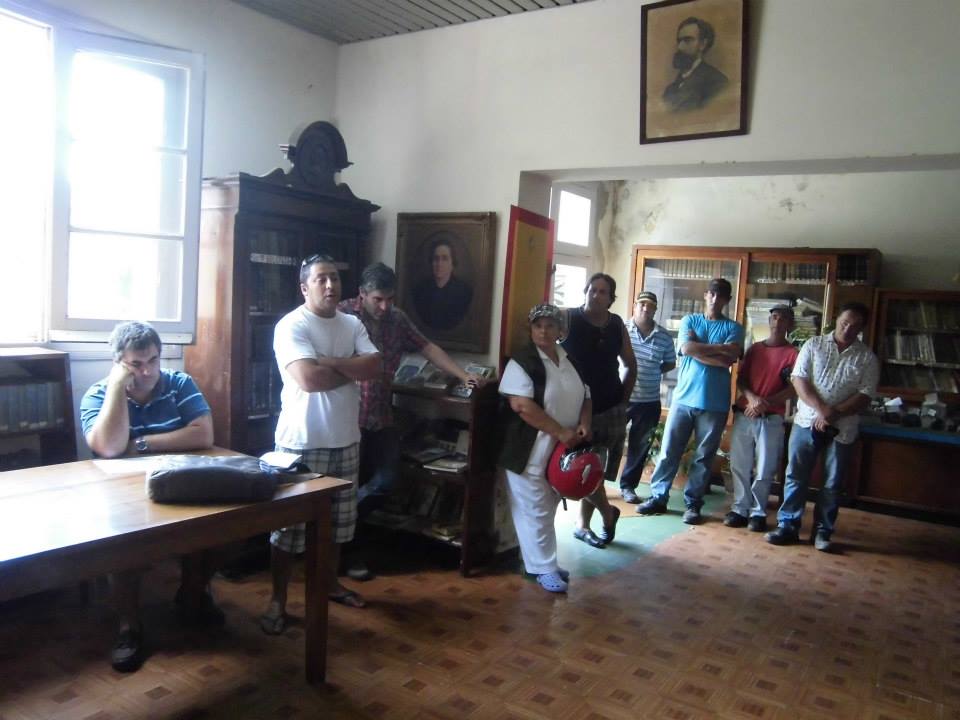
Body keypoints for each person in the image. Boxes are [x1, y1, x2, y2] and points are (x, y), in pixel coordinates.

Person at [79, 320, 217, 673]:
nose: (147, 371)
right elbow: (108, 447)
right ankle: (129, 627)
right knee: (121, 545)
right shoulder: (98, 393)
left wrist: (140, 444)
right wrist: (116, 387)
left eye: (153, 360)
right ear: (118, 363)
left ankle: (191, 594)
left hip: (176, 483)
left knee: (217, 525)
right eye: (135, 364)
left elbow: (203, 434)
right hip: (122, 494)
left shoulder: (179, 383)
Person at [259, 254, 381, 634]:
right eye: (321, 279)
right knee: (288, 530)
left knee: (339, 525)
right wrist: (349, 366)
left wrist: (328, 361)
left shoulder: (352, 323)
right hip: (301, 443)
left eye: (335, 279)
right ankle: (277, 600)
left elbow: (374, 366)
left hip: (346, 440)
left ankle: (330, 584)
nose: (331, 286)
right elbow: (309, 380)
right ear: (304, 287)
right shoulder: (291, 325)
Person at [338, 262, 482, 577]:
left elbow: (428, 347)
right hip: (347, 418)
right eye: (378, 299)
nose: (384, 306)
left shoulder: (397, 319)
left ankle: (337, 524)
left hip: (381, 415)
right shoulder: (343, 314)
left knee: (386, 481)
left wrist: (463, 375)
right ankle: (344, 553)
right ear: (362, 294)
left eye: (390, 299)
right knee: (348, 485)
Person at [766, 302, 879, 551]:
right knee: (795, 476)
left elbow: (865, 394)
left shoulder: (867, 358)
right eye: (844, 323)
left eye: (854, 326)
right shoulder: (813, 344)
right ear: (836, 319)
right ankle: (788, 526)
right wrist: (822, 410)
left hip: (842, 429)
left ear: (862, 328)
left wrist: (835, 414)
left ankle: (822, 532)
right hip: (806, 422)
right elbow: (799, 379)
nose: (847, 329)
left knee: (833, 483)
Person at [498, 303, 592, 593]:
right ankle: (544, 568)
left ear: (560, 330)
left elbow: (586, 395)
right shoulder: (522, 362)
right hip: (529, 450)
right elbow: (521, 405)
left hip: (560, 450)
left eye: (550, 325)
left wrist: (584, 423)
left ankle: (541, 563)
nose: (543, 331)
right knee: (534, 509)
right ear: (530, 329)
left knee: (547, 507)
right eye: (538, 325)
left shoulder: (568, 359)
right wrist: (560, 431)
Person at [637, 278, 744, 524]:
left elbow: (730, 357)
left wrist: (699, 348)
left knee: (704, 457)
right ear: (705, 295)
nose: (715, 299)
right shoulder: (690, 320)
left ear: (727, 300)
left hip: (715, 404)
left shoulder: (734, 327)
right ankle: (658, 497)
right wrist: (718, 349)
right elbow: (686, 349)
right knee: (668, 451)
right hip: (683, 399)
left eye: (721, 296)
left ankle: (693, 504)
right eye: (712, 294)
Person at [561, 273, 635, 548]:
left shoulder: (616, 324)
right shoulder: (568, 318)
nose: (596, 295)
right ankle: (607, 513)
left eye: (603, 292)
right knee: (580, 467)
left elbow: (630, 365)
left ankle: (582, 525)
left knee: (596, 470)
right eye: (592, 289)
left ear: (611, 298)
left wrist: (623, 401)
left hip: (609, 407)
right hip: (574, 408)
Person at [724, 305, 798, 532]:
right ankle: (740, 508)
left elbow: (794, 387)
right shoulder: (755, 349)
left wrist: (764, 402)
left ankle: (758, 512)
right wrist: (753, 399)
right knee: (739, 464)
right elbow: (742, 379)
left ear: (790, 324)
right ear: (769, 320)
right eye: (774, 317)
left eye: (783, 319)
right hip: (745, 413)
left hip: (771, 417)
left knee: (765, 467)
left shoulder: (793, 354)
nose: (778, 322)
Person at [619, 291, 676, 504]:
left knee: (639, 448)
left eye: (650, 305)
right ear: (635, 306)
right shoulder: (621, 329)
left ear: (655, 310)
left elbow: (670, 363)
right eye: (642, 304)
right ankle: (597, 484)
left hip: (649, 401)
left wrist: (651, 371)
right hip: (621, 397)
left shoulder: (664, 336)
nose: (645, 308)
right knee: (610, 442)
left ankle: (628, 486)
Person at [663, 16, 729, 112]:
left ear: (702, 44)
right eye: (679, 41)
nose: (680, 47)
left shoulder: (717, 83)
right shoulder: (670, 89)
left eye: (687, 40)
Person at [411, 234, 473, 331]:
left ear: (452, 263)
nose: (439, 264)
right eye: (436, 259)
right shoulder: (420, 290)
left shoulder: (464, 292)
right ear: (431, 262)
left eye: (445, 258)